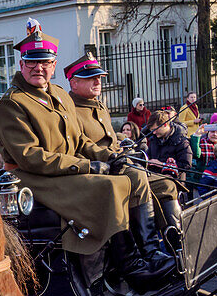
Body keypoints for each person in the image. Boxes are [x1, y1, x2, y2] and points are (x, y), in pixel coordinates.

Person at [0, 19, 174, 293]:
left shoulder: (58, 95)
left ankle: (151, 253)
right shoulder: (13, 104)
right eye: (31, 62)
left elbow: (78, 140)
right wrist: (88, 165)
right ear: (21, 64)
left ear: (54, 66)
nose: (38, 68)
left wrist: (111, 157)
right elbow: (31, 157)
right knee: (113, 186)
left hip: (66, 171)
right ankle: (131, 267)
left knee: (135, 176)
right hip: (36, 178)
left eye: (45, 62)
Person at [65, 53, 182, 232]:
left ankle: (173, 242)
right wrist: (111, 155)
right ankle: (147, 248)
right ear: (74, 83)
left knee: (167, 185)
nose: (98, 82)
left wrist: (123, 143)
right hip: (100, 169)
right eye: (91, 78)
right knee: (137, 177)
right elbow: (80, 144)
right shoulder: (69, 109)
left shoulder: (99, 105)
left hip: (118, 163)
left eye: (99, 78)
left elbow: (109, 137)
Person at [145, 109, 193, 183]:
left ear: (164, 124)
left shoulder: (181, 140)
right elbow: (148, 158)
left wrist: (163, 165)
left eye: (155, 129)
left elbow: (186, 164)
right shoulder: (154, 140)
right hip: (153, 179)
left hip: (173, 182)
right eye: (152, 130)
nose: (153, 133)